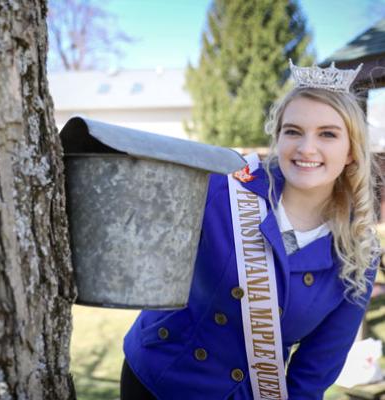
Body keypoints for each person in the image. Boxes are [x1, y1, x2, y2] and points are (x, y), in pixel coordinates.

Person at [120, 60, 381, 399]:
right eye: (293, 131)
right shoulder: (222, 188)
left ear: (350, 151)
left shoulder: (359, 252)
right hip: (157, 377)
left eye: (328, 134)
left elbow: (314, 370)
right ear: (278, 138)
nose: (306, 149)